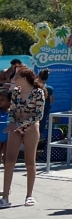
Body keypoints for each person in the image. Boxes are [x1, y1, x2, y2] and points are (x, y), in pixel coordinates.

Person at [1, 66, 45, 208]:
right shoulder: (15, 93)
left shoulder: (38, 92)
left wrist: (20, 124)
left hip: (31, 128)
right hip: (16, 128)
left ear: (24, 78)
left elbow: (38, 115)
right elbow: (12, 110)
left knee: (30, 163)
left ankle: (29, 196)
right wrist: (13, 123)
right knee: (9, 161)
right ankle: (5, 197)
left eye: (16, 77)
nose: (13, 80)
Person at [0, 88, 10, 169]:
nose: (0, 101)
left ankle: (7, 171)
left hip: (8, 136)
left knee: (6, 154)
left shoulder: (12, 112)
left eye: (2, 99)